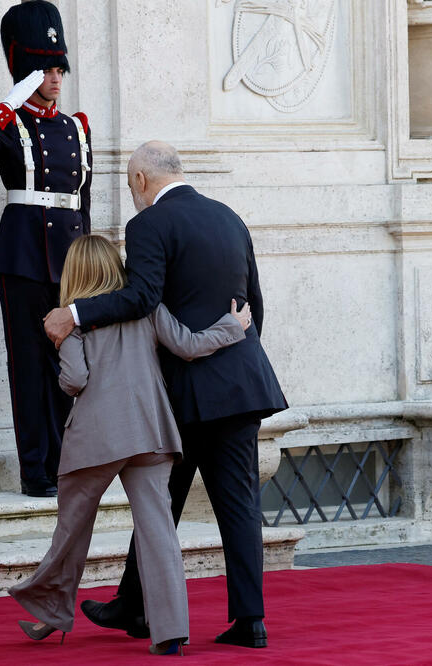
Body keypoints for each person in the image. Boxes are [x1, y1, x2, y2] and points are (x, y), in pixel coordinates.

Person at [43, 142, 287, 648]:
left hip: (184, 391)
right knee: (234, 505)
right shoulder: (229, 218)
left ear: (139, 180)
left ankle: (137, 609)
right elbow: (254, 306)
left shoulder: (149, 223)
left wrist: (77, 314)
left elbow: (141, 298)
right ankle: (248, 621)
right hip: (241, 384)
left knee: (159, 503)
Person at [9, 235, 252, 656]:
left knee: (71, 532)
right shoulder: (148, 309)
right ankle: (170, 631)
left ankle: (49, 612)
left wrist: (60, 350)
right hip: (150, 430)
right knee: (159, 533)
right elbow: (189, 347)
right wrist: (233, 327)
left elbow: (75, 381)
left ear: (74, 275)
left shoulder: (70, 323)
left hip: (95, 438)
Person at [0, 0, 92, 497]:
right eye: (45, 69)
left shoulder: (77, 128)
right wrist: (11, 97)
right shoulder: (9, 124)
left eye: (59, 68)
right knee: (27, 367)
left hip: (68, 261)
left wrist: (89, 267)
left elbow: (83, 204)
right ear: (26, 72)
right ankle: (35, 469)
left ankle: (64, 463)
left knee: (68, 365)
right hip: (21, 259)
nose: (56, 78)